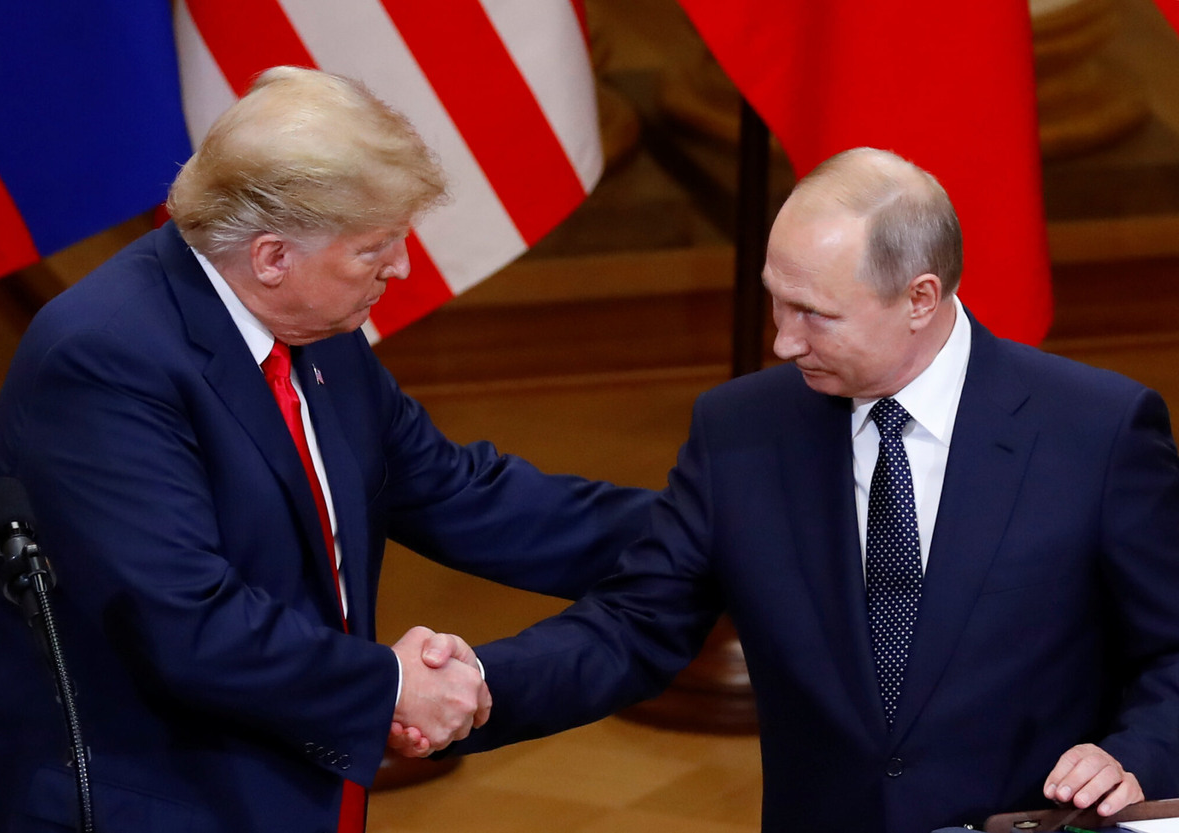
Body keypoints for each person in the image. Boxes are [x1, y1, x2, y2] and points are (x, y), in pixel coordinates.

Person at [399, 147, 1179, 832]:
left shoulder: (1098, 432)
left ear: (919, 298)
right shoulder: (742, 430)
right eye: (778, 298)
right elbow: (634, 625)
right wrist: (475, 687)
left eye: (815, 314)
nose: (782, 339)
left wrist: (1135, 755)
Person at [0, 66, 654, 832]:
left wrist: (701, 526)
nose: (400, 267)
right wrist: (393, 685)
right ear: (272, 257)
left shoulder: (319, 333)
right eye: (374, 248)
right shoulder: (104, 359)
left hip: (292, 780)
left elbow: (457, 491)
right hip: (155, 801)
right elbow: (188, 622)